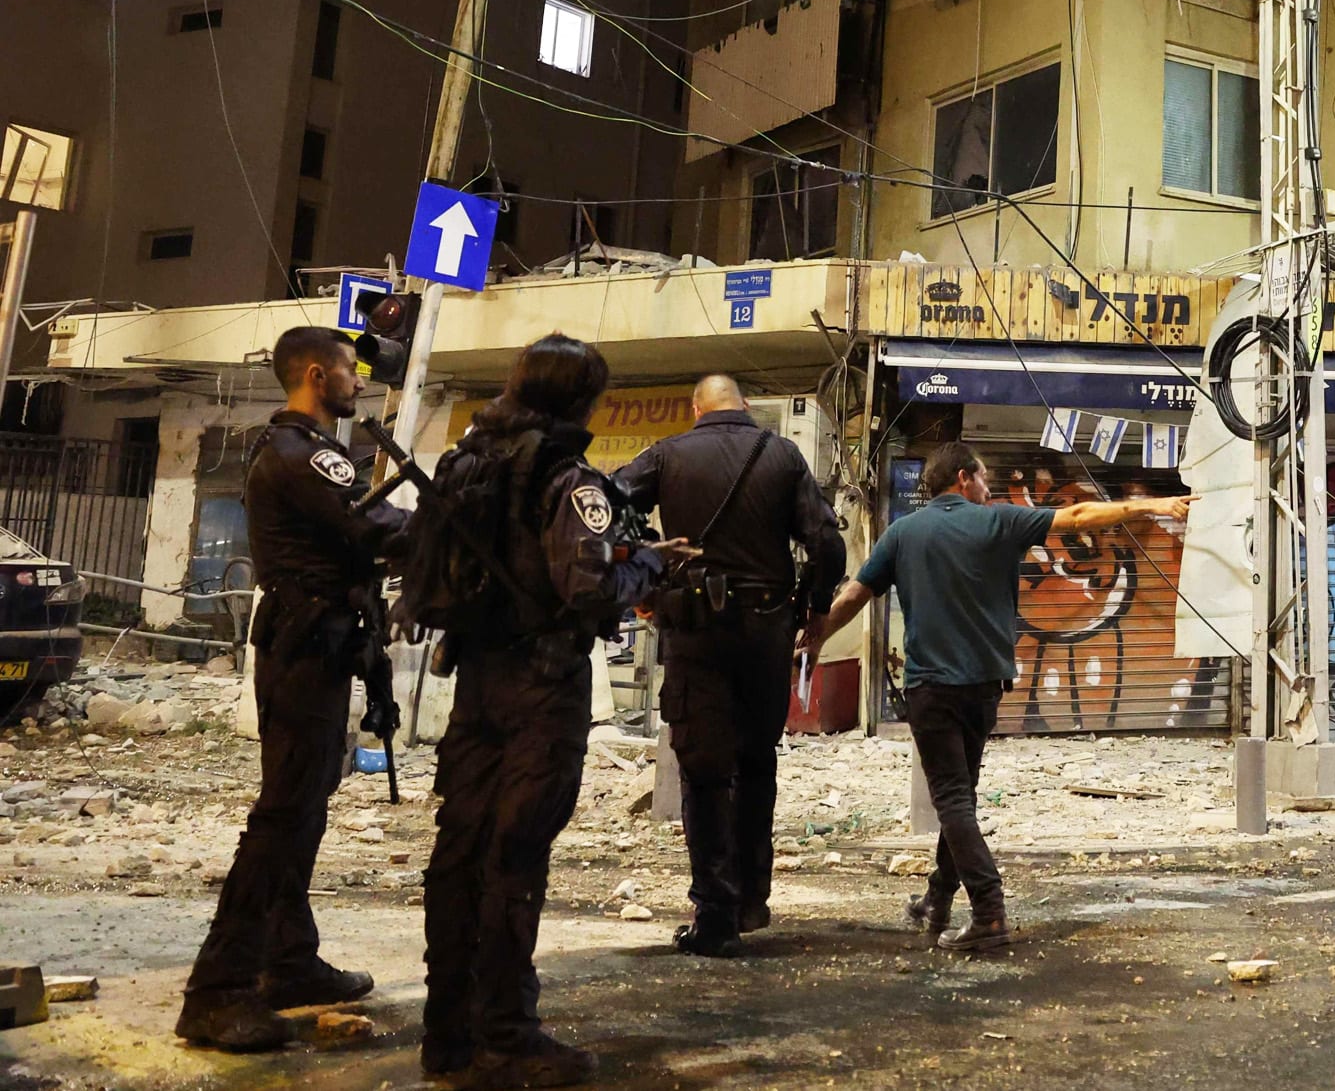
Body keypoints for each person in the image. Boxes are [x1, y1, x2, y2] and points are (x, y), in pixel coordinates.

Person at [412, 335, 692, 1088]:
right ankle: (505, 1034)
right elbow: (592, 587)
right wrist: (654, 561)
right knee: (514, 855)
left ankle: (448, 1033)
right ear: (579, 398)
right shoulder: (567, 477)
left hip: (476, 681)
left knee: (459, 851)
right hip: (542, 686)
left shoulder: (468, 459)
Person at [815, 441, 1191, 951]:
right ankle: (938, 899)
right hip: (985, 687)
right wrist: (1152, 504)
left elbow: (855, 595)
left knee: (951, 799)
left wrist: (815, 639)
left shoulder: (903, 533)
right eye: (985, 477)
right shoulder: (1000, 522)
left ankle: (990, 912)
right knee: (960, 797)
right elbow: (1080, 515)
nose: (990, 485)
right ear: (965, 478)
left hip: (932, 687)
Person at [177, 326, 406, 1051]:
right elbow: (377, 528)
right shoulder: (304, 455)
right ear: (315, 374)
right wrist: (450, 521)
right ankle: (216, 992)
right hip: (306, 645)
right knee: (282, 816)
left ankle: (289, 960)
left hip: (318, 644)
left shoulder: (302, 451)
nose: (357, 382)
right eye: (347, 371)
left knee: (304, 810)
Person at [613, 373, 846, 957]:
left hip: (693, 634)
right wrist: (813, 613)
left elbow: (606, 512)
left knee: (704, 771)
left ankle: (713, 914)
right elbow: (827, 544)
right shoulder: (781, 453)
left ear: (696, 409)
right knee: (756, 763)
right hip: (767, 632)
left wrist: (642, 579)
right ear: (744, 405)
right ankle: (751, 901)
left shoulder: (665, 456)